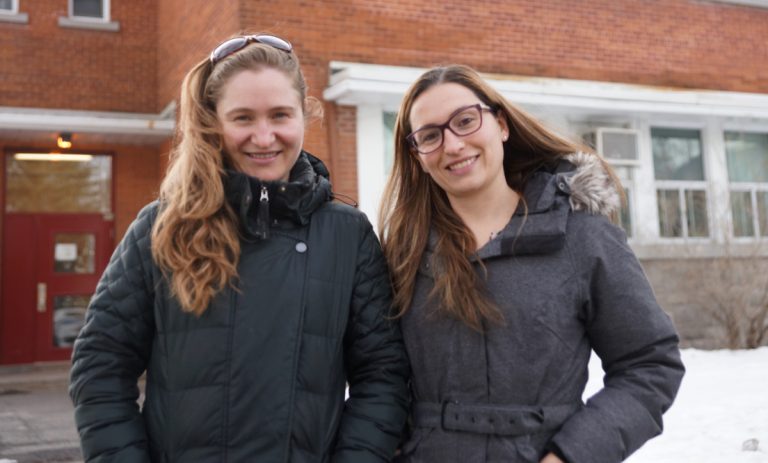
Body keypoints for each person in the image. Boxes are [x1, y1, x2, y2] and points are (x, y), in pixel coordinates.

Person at [69, 33, 409, 462]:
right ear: (214, 122)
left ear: (304, 115)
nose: (264, 137)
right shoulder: (160, 227)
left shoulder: (348, 234)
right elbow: (100, 367)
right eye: (243, 118)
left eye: (280, 115)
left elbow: (383, 376)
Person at [379, 64, 685, 463]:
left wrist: (570, 455)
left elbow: (650, 365)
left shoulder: (582, 237)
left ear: (501, 124)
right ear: (418, 157)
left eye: (466, 121)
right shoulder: (401, 252)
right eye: (430, 136)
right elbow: (378, 377)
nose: (452, 145)